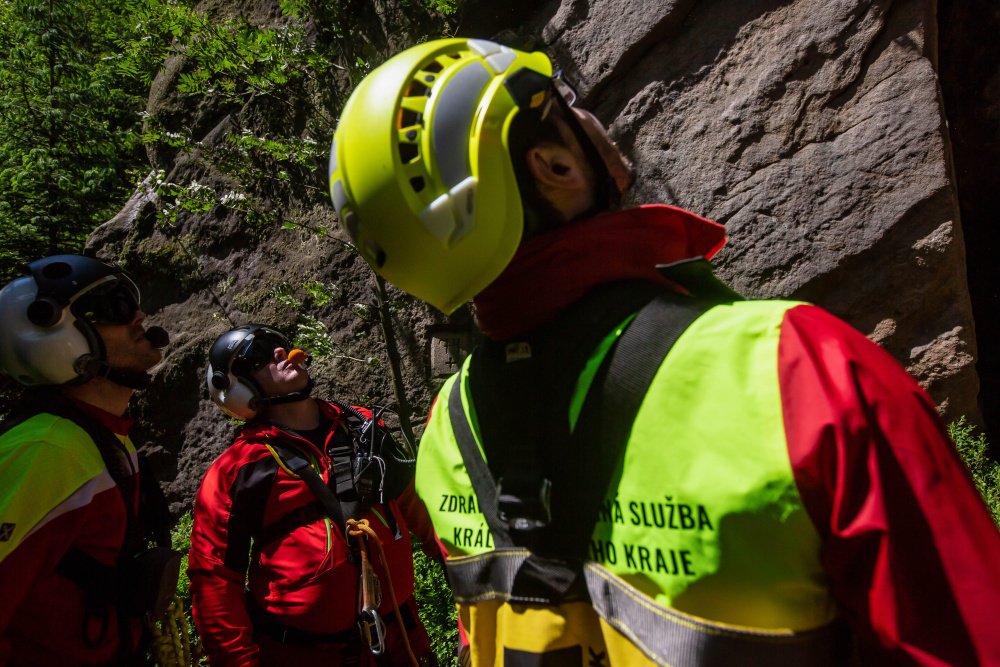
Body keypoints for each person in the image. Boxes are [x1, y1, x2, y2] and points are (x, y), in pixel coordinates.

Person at [327, 38, 1000, 666]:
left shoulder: (448, 430)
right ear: (554, 166)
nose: (587, 113)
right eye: (563, 103)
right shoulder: (798, 370)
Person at [190, 323, 435, 667]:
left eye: (279, 345)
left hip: (400, 641)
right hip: (302, 655)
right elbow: (215, 580)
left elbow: (417, 504)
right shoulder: (239, 469)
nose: (280, 351)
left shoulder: (361, 426)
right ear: (238, 388)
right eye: (259, 355)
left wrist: (470, 569)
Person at [0, 254, 176, 665]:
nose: (139, 316)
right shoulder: (48, 450)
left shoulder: (99, 437)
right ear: (55, 338)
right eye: (113, 307)